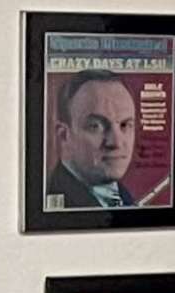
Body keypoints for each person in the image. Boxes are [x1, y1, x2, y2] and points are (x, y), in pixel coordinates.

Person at [45, 69, 149, 212]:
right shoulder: (54, 201)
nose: (116, 142)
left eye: (125, 125)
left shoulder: (123, 196)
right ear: (64, 135)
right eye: (96, 126)